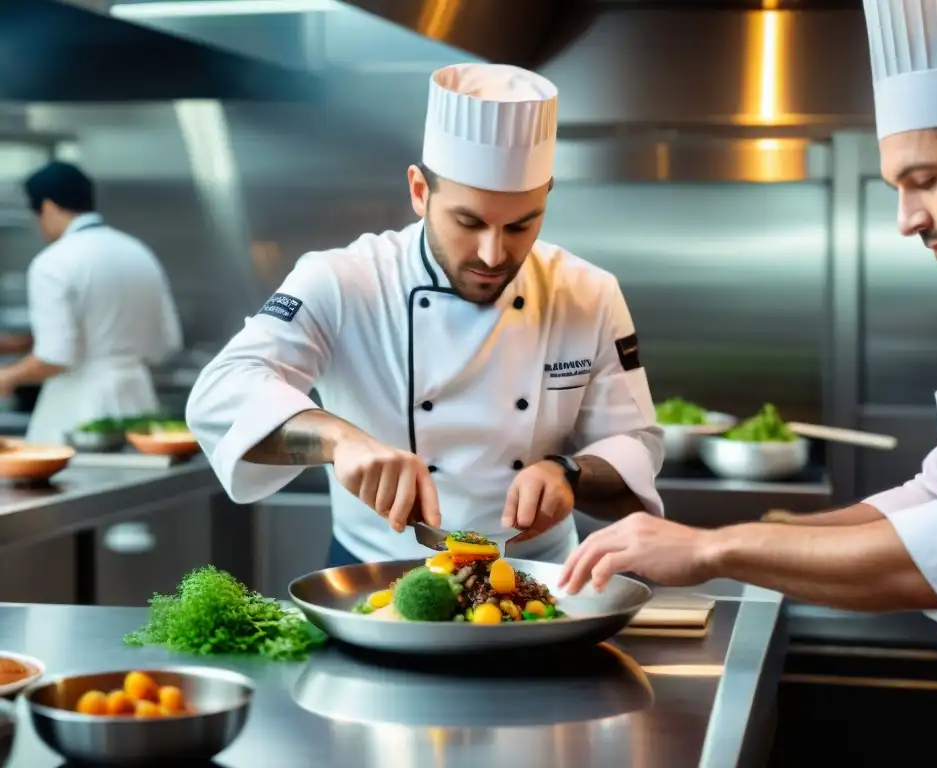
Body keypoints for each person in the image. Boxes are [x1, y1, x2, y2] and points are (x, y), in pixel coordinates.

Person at [560, 1, 937, 764]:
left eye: (925, 181)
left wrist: (718, 552)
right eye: (896, 188)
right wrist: (739, 538)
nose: (907, 220)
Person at [186, 62, 665, 567]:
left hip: (536, 578)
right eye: (469, 221)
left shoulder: (588, 292)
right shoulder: (344, 281)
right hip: (374, 577)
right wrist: (339, 440)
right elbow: (222, 392)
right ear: (420, 191)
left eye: (521, 226)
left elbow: (634, 442)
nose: (492, 254)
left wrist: (570, 474)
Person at [2, 161, 184, 444]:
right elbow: (167, 343)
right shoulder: (138, 252)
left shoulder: (52, 262)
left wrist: (8, 376)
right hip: (140, 406)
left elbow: (56, 356)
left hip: (80, 415)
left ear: (48, 207)